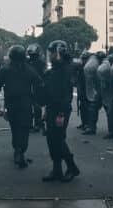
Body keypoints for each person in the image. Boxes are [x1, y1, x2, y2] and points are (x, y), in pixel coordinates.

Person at [0, 45, 41, 168]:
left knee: (15, 128)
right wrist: (38, 101)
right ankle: (20, 151)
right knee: (24, 129)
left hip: (11, 104)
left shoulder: (5, 70)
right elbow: (39, 85)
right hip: (26, 104)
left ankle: (17, 150)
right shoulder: (30, 70)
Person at [39, 40, 81, 182]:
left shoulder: (65, 70)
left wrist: (61, 114)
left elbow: (65, 94)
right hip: (52, 109)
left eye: (51, 52)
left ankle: (72, 167)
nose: (49, 55)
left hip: (60, 111)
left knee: (58, 140)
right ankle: (57, 169)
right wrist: (46, 110)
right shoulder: (55, 70)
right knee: (52, 140)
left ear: (58, 53)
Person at [26, 44, 47, 133]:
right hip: (32, 85)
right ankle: (35, 124)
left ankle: (37, 124)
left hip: (37, 86)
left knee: (35, 106)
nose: (32, 56)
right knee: (32, 106)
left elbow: (45, 74)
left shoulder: (40, 62)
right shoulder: (27, 62)